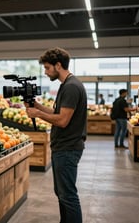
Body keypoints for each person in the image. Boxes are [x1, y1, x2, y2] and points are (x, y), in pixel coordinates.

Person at [25, 47, 86, 223]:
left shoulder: (71, 87)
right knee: (62, 193)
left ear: (58, 65)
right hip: (64, 147)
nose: (45, 72)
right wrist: (37, 106)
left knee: (68, 195)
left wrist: (38, 115)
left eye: (47, 68)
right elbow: (56, 112)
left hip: (68, 148)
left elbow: (62, 120)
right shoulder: (67, 85)